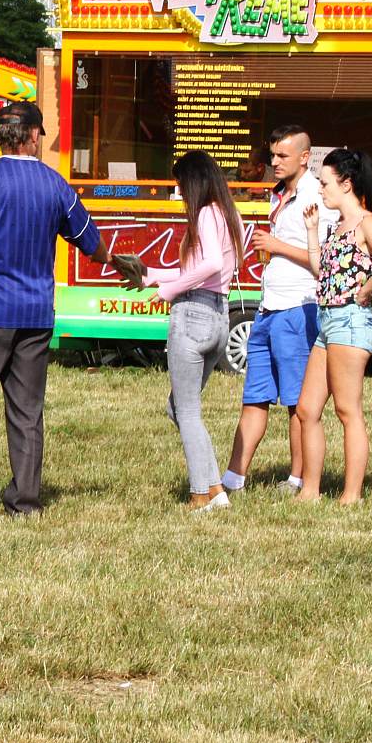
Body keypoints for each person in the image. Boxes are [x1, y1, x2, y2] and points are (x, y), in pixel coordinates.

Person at [0, 102, 112, 517]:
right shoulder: (55, 185)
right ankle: (25, 503)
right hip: (35, 315)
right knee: (27, 413)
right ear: (33, 136)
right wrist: (117, 263)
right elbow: (91, 243)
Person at [222, 126, 334, 496]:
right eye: (272, 155)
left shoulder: (316, 195)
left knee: (297, 403)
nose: (274, 162)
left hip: (298, 306)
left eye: (282, 155)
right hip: (269, 306)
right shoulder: (278, 194)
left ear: (305, 157)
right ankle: (233, 478)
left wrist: (277, 246)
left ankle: (297, 478)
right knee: (254, 396)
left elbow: (323, 263)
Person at [130, 151, 244, 512]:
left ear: (194, 182)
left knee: (187, 410)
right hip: (218, 316)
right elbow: (204, 269)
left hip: (193, 315)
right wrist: (151, 276)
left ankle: (199, 495)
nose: (179, 193)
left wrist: (169, 291)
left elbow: (208, 265)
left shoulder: (207, 213)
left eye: (181, 185)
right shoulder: (229, 214)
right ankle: (215, 490)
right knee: (178, 408)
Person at [294, 150, 372, 505]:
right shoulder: (337, 224)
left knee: (347, 410)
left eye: (325, 183)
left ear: (346, 184)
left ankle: (351, 495)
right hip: (328, 321)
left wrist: (366, 290)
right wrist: (312, 232)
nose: (320, 190)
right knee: (307, 409)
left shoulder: (365, 222)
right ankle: (310, 490)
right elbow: (320, 272)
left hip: (350, 322)